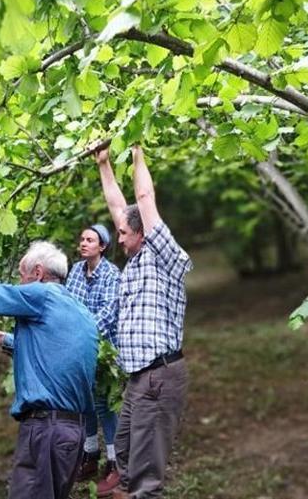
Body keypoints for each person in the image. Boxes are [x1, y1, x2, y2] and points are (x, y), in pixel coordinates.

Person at [0, 241, 99, 499]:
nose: (19, 284)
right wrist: (5, 339)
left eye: (21, 276)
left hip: (45, 430)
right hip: (71, 434)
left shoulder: (41, 295)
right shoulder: (81, 311)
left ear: (37, 273)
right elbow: (57, 354)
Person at [94, 145, 193, 499]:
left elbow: (143, 197)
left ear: (143, 233)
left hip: (159, 376)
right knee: (122, 457)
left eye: (122, 233)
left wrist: (138, 155)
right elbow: (119, 207)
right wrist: (104, 164)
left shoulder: (164, 256)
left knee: (146, 476)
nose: (117, 238)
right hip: (139, 379)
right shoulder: (134, 262)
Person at [65, 224, 121, 489]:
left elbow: (109, 316)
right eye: (82, 239)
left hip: (103, 349)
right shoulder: (76, 270)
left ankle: (115, 462)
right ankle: (90, 454)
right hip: (78, 348)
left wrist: (82, 335)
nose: (84, 243)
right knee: (83, 402)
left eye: (90, 240)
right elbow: (69, 307)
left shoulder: (112, 274)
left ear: (102, 246)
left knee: (103, 404)